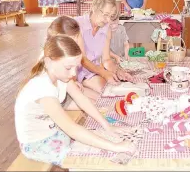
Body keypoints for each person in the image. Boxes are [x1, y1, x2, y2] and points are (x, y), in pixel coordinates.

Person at [15, 36, 136, 166]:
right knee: (88, 161)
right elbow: (71, 129)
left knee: (97, 143)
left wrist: (107, 126)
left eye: (76, 68)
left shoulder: (61, 75)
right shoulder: (43, 89)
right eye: (69, 68)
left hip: (55, 132)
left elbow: (82, 99)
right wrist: (115, 147)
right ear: (48, 62)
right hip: (37, 144)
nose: (73, 73)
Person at [47, 15, 120, 102]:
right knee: (96, 103)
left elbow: (81, 62)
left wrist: (74, 82)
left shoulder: (74, 40)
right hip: (61, 95)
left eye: (78, 37)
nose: (77, 43)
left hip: (71, 87)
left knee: (104, 99)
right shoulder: (53, 60)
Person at [74, 0, 133, 94]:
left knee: (112, 89)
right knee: (104, 90)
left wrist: (117, 70)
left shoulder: (106, 29)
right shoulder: (77, 25)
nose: (108, 20)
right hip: (75, 73)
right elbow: (82, 59)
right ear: (94, 8)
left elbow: (106, 60)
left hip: (93, 72)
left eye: (111, 16)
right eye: (105, 15)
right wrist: (103, 73)